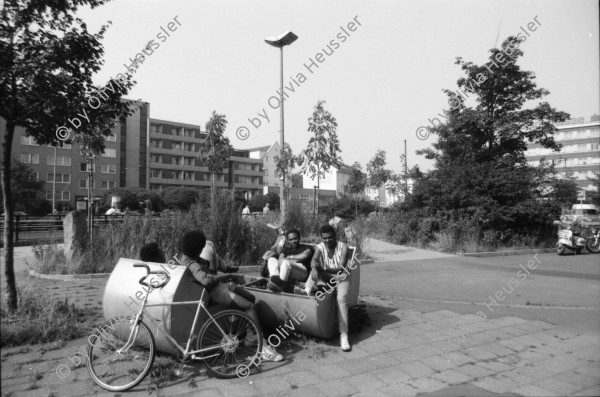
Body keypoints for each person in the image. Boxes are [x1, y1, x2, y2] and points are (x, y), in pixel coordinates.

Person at [179, 230, 283, 362]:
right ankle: (263, 347)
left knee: (250, 298)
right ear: (198, 249)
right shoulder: (192, 264)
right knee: (249, 306)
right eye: (202, 247)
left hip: (216, 287)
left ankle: (249, 338)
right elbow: (205, 280)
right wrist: (228, 276)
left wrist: (229, 275)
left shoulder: (186, 258)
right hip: (213, 291)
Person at [304, 224, 352, 352]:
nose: (327, 240)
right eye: (324, 238)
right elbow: (314, 259)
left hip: (341, 277)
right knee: (313, 271)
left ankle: (343, 334)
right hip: (326, 277)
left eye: (329, 237)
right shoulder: (320, 247)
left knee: (341, 299)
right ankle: (306, 292)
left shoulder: (343, 247)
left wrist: (322, 268)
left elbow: (341, 268)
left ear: (335, 236)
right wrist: (314, 268)